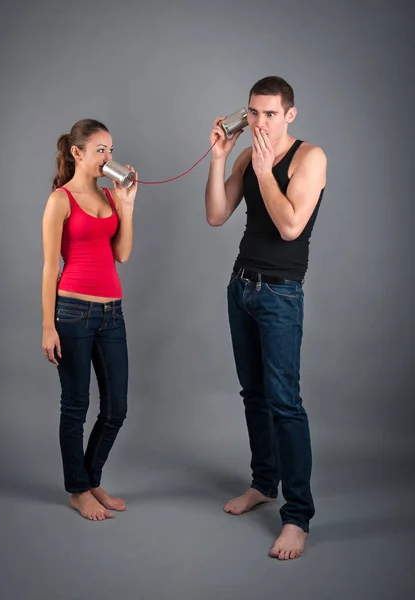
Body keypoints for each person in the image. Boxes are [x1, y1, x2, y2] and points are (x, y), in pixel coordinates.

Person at [205, 76, 327, 559]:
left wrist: (262, 172)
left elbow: (291, 225)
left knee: (284, 402)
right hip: (242, 287)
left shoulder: (309, 157)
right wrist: (220, 157)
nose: (259, 123)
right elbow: (216, 214)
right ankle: (263, 483)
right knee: (253, 394)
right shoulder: (246, 154)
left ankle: (297, 517)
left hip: (280, 293)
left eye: (270, 114)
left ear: (289, 115)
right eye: (253, 113)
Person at [41, 118, 137, 521]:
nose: (108, 157)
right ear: (77, 153)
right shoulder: (60, 200)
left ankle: (91, 478)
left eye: (111, 150)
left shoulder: (110, 196)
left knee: (116, 408)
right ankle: (78, 490)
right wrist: (48, 325)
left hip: (111, 312)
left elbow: (123, 254)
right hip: (73, 312)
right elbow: (49, 268)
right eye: (101, 150)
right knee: (76, 406)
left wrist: (127, 206)